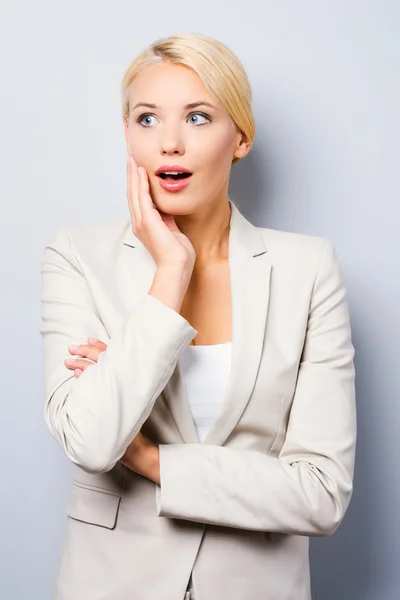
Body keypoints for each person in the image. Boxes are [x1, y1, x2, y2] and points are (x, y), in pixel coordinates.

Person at [40, 32, 356, 600]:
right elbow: (89, 443)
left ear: (241, 137)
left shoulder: (308, 269)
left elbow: (321, 493)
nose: (170, 144)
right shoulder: (77, 257)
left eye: (199, 117)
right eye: (146, 119)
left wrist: (149, 459)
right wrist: (171, 272)